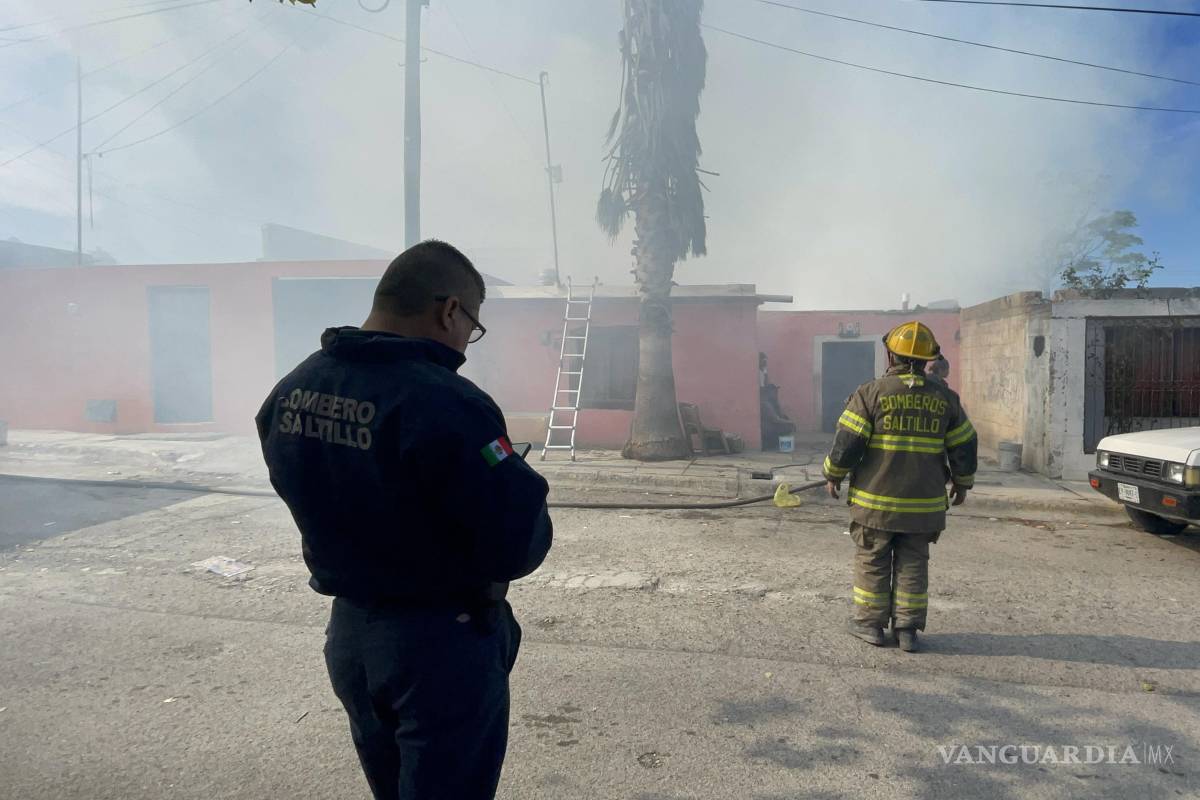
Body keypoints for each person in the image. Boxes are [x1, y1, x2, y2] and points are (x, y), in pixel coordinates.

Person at [255, 240, 553, 800]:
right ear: (448, 311)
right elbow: (518, 540)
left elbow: (296, 480)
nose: (468, 340)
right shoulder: (448, 403)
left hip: (351, 638)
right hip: (439, 645)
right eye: (473, 325)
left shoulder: (294, 387)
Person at [821, 321, 976, 653]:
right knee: (914, 563)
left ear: (891, 354)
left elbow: (847, 444)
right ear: (927, 359)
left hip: (876, 504)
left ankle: (870, 625)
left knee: (872, 559)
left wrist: (833, 474)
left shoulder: (870, 393)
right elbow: (964, 444)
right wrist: (963, 483)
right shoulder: (945, 399)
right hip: (924, 507)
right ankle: (907, 631)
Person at [760, 383, 795, 451]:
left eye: (776, 391)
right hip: (767, 429)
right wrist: (791, 422)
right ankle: (773, 442)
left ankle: (775, 442)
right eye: (774, 391)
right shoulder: (765, 403)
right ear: (769, 392)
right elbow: (776, 419)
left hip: (772, 424)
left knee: (785, 418)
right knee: (787, 426)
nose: (776, 393)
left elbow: (781, 415)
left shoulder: (773, 401)